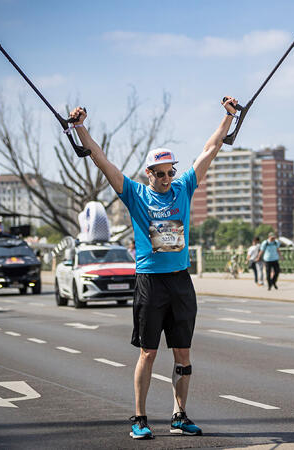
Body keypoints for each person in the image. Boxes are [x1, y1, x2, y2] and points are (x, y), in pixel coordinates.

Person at [68, 96, 239, 440]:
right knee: (148, 353)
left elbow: (210, 148)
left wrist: (228, 118)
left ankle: (179, 415)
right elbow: (101, 160)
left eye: (169, 172)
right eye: (159, 174)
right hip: (150, 282)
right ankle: (139, 418)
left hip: (179, 281)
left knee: (183, 354)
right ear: (148, 174)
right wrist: (79, 127)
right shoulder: (134, 194)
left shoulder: (184, 188)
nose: (165, 178)